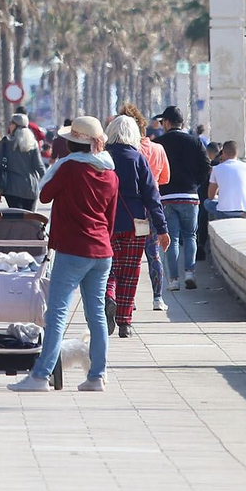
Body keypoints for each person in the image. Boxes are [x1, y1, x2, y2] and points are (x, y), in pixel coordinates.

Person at [10, 116, 116, 393]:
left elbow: (44, 196)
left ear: (70, 144)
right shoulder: (110, 173)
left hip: (73, 250)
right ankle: (97, 375)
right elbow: (111, 217)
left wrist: (59, 167)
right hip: (102, 250)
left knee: (56, 313)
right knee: (97, 316)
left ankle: (40, 376)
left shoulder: (69, 169)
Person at [102, 114, 169, 339]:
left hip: (106, 224)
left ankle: (109, 296)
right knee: (130, 273)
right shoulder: (138, 158)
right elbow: (152, 196)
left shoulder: (101, 158)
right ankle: (124, 323)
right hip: (135, 224)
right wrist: (162, 229)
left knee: (108, 269)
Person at [153, 105, 212, 292]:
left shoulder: (159, 143)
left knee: (171, 238)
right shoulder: (195, 142)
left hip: (167, 196)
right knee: (190, 236)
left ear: (168, 122)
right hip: (190, 195)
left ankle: (173, 280)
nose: (162, 125)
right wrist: (196, 183)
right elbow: (206, 166)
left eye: (163, 122)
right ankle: (190, 272)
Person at [121, 102, 170, 312]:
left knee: (129, 256)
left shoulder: (128, 151)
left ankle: (129, 300)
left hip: (131, 208)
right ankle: (158, 298)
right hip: (153, 207)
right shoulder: (158, 148)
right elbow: (166, 178)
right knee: (153, 254)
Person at [0, 114, 46, 212]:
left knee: (16, 219)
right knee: (29, 219)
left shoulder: (6, 142)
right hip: (31, 187)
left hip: (12, 188)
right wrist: (47, 182)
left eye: (11, 123)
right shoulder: (32, 143)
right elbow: (39, 166)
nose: (9, 125)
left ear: (16, 125)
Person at [207, 140, 246, 220]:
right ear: (237, 153)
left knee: (207, 203)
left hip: (223, 211)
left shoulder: (216, 169)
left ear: (223, 153)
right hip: (244, 210)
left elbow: (210, 196)